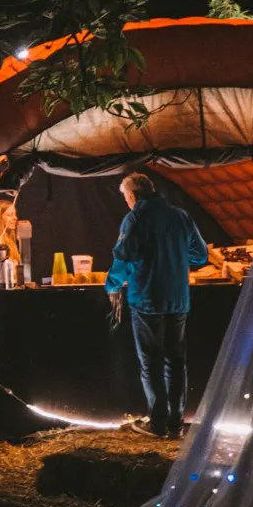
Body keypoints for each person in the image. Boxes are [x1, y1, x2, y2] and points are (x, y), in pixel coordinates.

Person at [106, 172, 209, 438]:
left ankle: (158, 424)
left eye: (126, 197)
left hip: (147, 299)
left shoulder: (135, 218)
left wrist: (112, 284)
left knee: (151, 363)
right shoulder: (181, 216)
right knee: (176, 362)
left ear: (133, 195)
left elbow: (124, 256)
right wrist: (174, 257)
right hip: (178, 300)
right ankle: (176, 425)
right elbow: (200, 255)